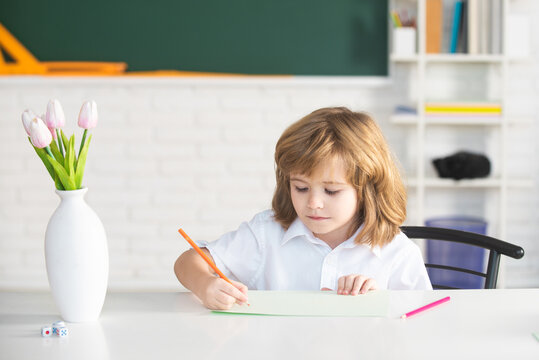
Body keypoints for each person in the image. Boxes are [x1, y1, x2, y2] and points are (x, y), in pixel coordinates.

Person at [174, 107, 432, 310]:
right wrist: (206, 285)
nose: (313, 203)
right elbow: (188, 262)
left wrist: (379, 304)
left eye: (331, 191)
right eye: (300, 188)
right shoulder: (267, 234)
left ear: (367, 189)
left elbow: (423, 320)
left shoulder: (396, 252)